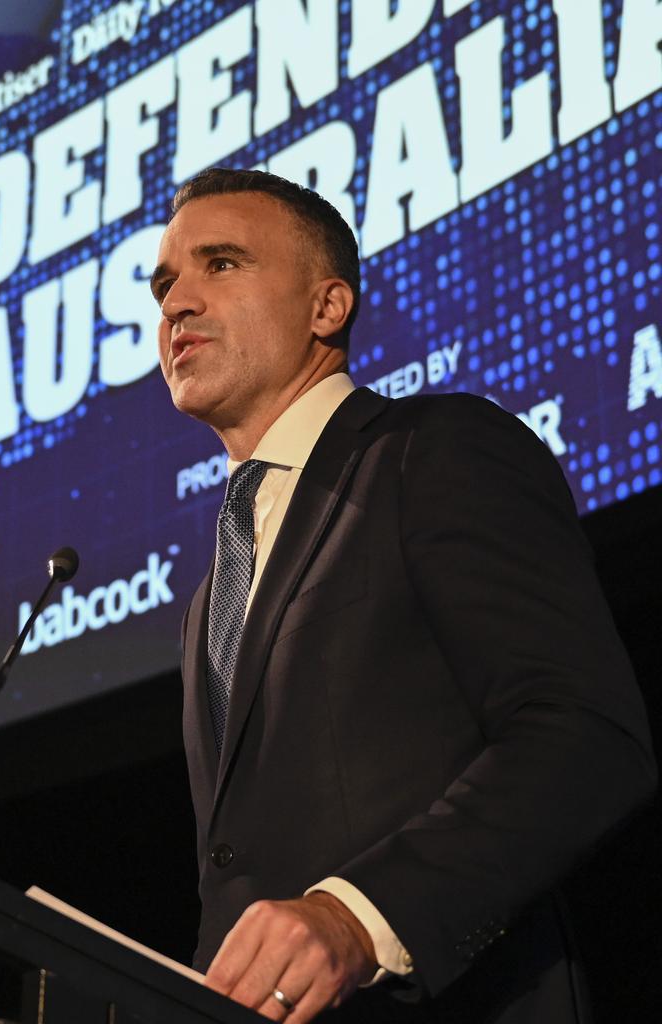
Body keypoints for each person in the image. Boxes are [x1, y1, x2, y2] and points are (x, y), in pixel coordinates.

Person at [152, 167, 656, 1023]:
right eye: (165, 284)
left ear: (327, 307)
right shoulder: (209, 595)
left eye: (222, 264)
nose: (176, 304)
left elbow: (585, 736)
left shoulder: (435, 450)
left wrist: (358, 915)